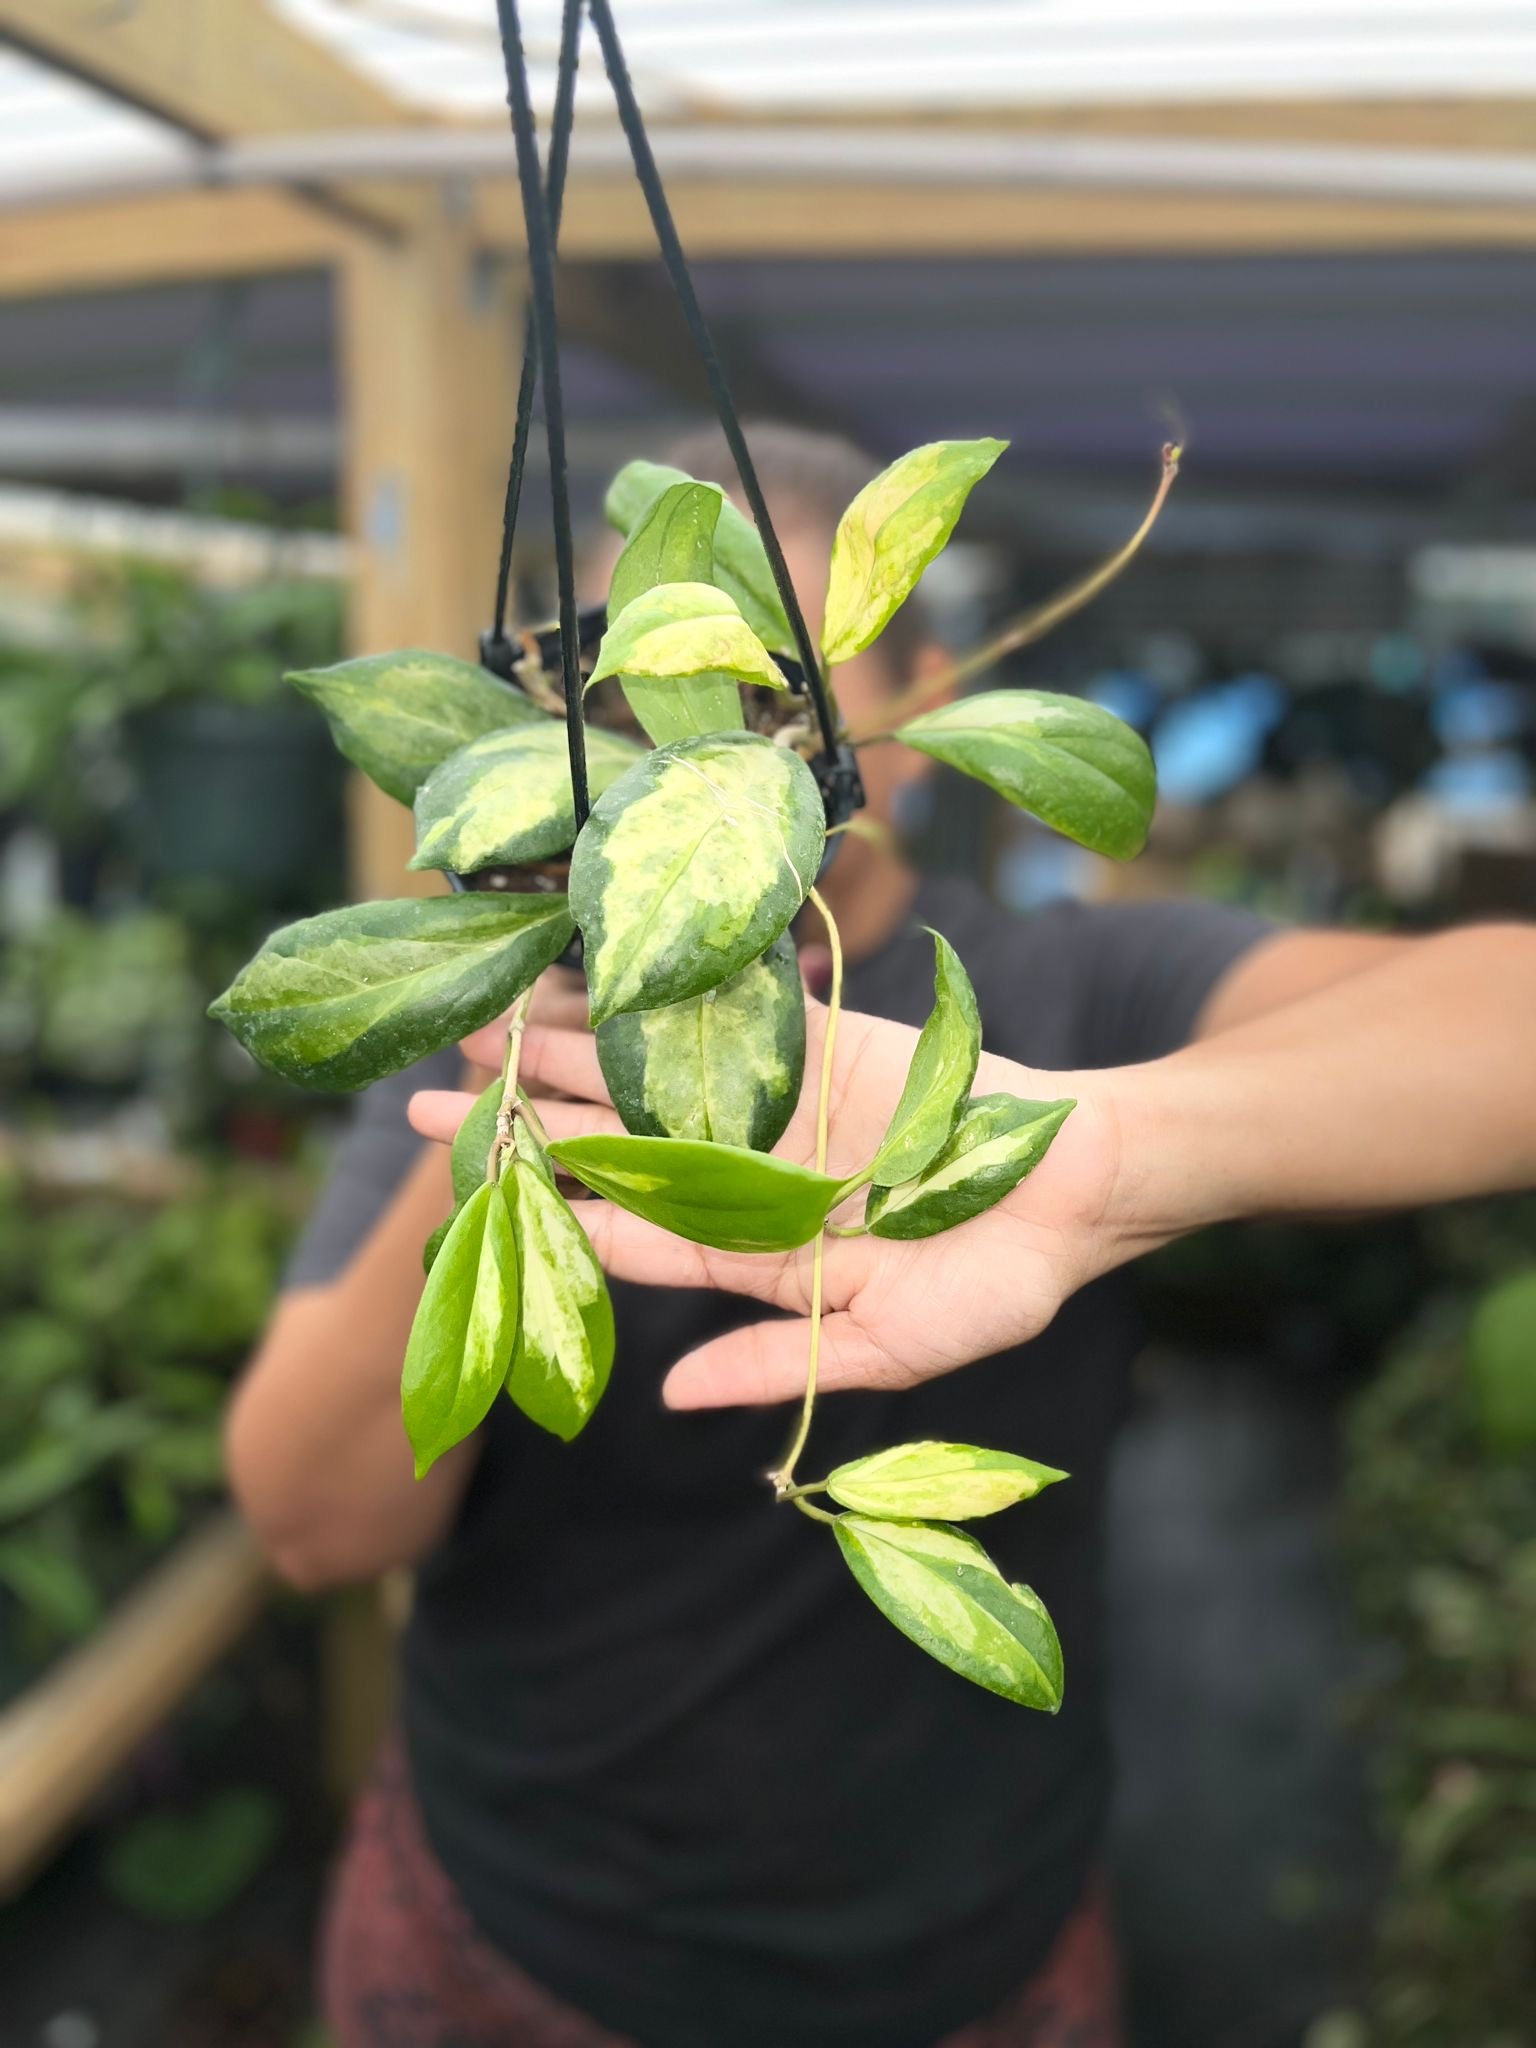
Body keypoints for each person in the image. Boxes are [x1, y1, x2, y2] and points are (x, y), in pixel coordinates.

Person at [227, 423, 1536, 2048]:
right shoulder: (490, 1040)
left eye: (768, 683)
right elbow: (310, 1524)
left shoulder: (1063, 1000)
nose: (693, 742)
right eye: (638, 689)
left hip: (969, 1959)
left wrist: (1098, 1150)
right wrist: (521, 1067)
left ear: (911, 709)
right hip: (521, 1936)